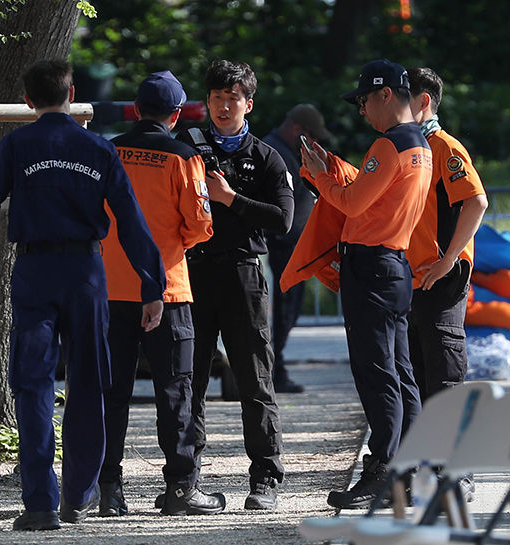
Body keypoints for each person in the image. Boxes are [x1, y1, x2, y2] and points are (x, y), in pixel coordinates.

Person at [0, 59, 166, 531]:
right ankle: (79, 495)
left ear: (28, 100)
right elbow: (131, 222)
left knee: (33, 384)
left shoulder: (14, 147)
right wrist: (153, 284)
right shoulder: (97, 149)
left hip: (34, 270)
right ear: (71, 94)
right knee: (89, 382)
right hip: (87, 272)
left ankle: (40, 504)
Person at [300, 59, 432, 510]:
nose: (360, 110)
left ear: (385, 95)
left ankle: (382, 472)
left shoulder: (389, 143)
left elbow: (353, 203)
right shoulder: (421, 144)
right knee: (401, 374)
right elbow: (374, 197)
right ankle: (409, 470)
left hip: (372, 268)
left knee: (377, 376)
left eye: (362, 100)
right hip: (394, 265)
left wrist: (319, 175)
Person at [99, 71, 226, 516]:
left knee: (110, 393)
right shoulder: (184, 156)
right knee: (175, 392)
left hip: (111, 289)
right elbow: (199, 224)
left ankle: (109, 491)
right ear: (176, 115)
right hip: (168, 290)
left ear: (135, 109)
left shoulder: (108, 151)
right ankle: (180, 488)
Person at [177, 59, 293, 510]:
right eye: (217, 98)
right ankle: (187, 478)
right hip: (192, 273)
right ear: (207, 101)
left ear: (249, 103)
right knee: (190, 379)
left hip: (243, 274)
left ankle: (266, 477)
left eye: (233, 99)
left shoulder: (265, 156)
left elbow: (283, 219)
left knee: (254, 378)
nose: (224, 107)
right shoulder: (185, 146)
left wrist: (231, 199)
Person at [406, 67, 488, 503]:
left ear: (423, 102)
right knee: (418, 375)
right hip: (412, 278)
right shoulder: (407, 146)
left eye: (405, 98)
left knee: (444, 375)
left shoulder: (443, 146)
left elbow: (476, 202)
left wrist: (448, 259)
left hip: (441, 278)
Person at [263, 104, 330, 394]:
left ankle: (275, 367)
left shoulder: (283, 150)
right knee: (279, 313)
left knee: (286, 313)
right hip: (279, 248)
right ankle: (273, 370)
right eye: (312, 136)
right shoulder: (274, 152)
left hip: (290, 248)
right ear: (298, 131)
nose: (315, 143)